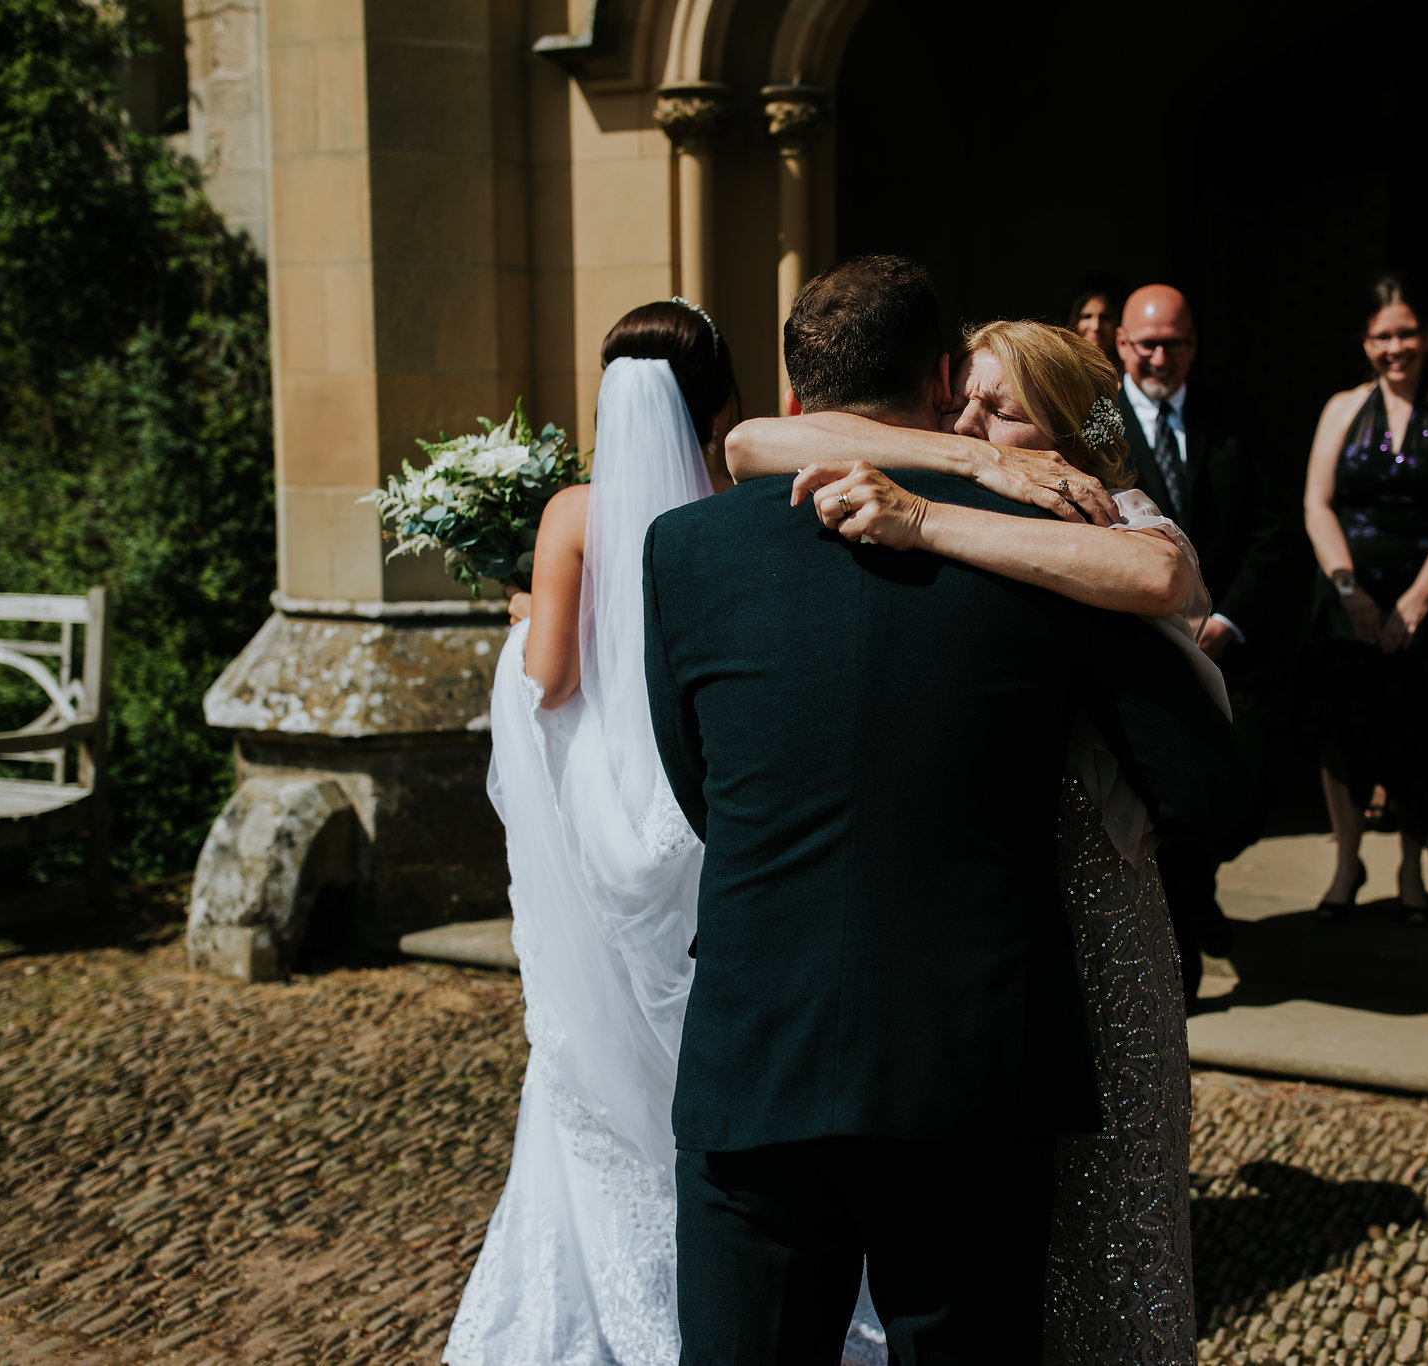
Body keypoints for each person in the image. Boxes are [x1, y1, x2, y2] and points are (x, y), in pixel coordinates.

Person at [646, 255, 1244, 1362]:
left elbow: (700, 791)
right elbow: (1204, 786)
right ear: (936, 380)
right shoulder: (1043, 555)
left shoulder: (684, 547)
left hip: (757, 1045)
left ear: (791, 385)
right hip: (971, 1056)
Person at [444, 300, 737, 1364]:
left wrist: (526, 610)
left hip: (608, 814)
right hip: (697, 808)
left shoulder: (576, 512)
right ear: (716, 400)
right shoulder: (734, 504)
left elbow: (552, 677)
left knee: (593, 1048)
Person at [1302, 275, 1428, 922]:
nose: (1395, 347)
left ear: (1427, 335)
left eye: (1406, 333)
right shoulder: (1341, 407)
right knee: (1341, 733)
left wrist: (1418, 598)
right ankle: (1346, 863)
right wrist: (1349, 589)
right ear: (1365, 342)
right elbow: (1316, 503)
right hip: (1347, 595)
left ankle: (1412, 871)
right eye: (1382, 335)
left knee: (1419, 729)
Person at [1113, 283, 1286, 1002]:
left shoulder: (1233, 416)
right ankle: (1179, 964)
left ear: (1194, 343)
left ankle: (1200, 893)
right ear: (1121, 344)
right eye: (1146, 344)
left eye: (1173, 343)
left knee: (1242, 794)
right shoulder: (1094, 420)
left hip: (1225, 645)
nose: (1159, 357)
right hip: (1139, 649)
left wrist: (1227, 620)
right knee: (1168, 815)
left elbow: (1273, 532)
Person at [1068, 271, 1126, 368]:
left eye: (1105, 317)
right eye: (1087, 316)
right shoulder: (1063, 373)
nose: (1096, 326)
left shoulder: (1131, 376)